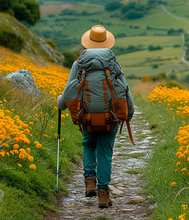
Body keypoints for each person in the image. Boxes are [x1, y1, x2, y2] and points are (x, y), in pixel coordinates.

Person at [57, 25, 135, 208]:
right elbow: (125, 90)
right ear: (106, 42)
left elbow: (69, 90)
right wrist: (128, 114)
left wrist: (60, 104)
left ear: (87, 42)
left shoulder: (79, 63)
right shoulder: (113, 62)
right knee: (105, 153)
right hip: (111, 117)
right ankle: (103, 194)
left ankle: (89, 180)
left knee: (88, 144)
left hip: (87, 117)